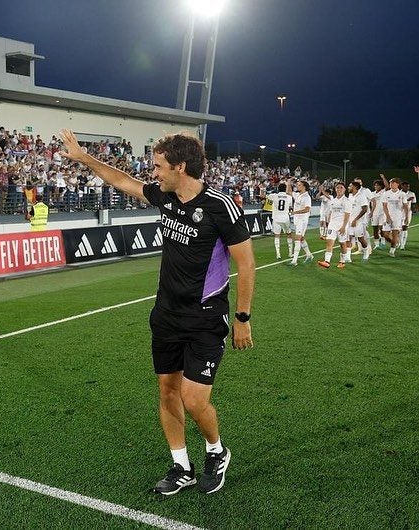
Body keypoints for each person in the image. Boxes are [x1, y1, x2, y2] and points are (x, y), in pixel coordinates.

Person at [59, 129, 255, 495]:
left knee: (194, 399)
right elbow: (121, 180)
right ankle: (182, 465)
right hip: (165, 315)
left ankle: (216, 451)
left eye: (159, 166)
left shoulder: (219, 207)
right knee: (168, 391)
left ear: (181, 167)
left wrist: (242, 318)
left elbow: (246, 264)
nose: (154, 173)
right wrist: (83, 157)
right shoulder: (164, 197)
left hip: (205, 317)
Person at [318, 182, 351, 269]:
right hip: (332, 225)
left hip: (342, 225)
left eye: (341, 187)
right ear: (335, 189)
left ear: (344, 189)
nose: (339, 189)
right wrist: (328, 224)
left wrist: (344, 226)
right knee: (329, 242)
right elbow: (330, 213)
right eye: (337, 188)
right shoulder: (333, 200)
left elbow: (347, 215)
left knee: (342, 244)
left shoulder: (346, 201)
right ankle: (327, 261)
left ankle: (342, 261)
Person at [287, 179, 314, 265]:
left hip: (302, 220)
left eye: (299, 185)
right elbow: (289, 192)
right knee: (301, 238)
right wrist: (288, 182)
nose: (297, 186)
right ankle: (309, 255)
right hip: (297, 220)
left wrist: (294, 212)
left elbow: (307, 209)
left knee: (297, 238)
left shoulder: (307, 197)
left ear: (304, 187)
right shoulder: (298, 195)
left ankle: (294, 261)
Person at [381, 177, 409, 257]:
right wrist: (388, 217)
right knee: (385, 235)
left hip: (397, 217)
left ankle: (392, 251)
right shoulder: (386, 193)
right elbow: (384, 206)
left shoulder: (402, 194)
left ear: (397, 184)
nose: (391, 184)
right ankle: (395, 242)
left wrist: (406, 217)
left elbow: (406, 206)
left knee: (395, 234)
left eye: (392, 183)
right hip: (387, 217)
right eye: (390, 183)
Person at [267, 182, 293, 260]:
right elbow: (290, 207)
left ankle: (278, 254)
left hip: (276, 218)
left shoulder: (274, 196)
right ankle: (290, 253)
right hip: (285, 218)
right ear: (285, 189)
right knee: (289, 234)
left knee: (277, 235)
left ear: (278, 189)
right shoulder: (289, 197)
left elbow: (264, 197)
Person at [347, 180, 371, 261]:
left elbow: (365, 209)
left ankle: (366, 252)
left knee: (360, 239)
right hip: (349, 221)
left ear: (355, 187)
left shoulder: (361, 196)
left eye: (350, 186)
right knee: (349, 238)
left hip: (359, 222)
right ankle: (347, 257)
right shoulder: (350, 196)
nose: (349, 187)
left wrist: (356, 219)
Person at [399, 182, 416, 249]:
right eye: (406, 186)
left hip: (408, 213)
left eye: (408, 186)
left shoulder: (412, 194)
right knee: (399, 229)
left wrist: (414, 209)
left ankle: (402, 245)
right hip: (399, 213)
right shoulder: (398, 193)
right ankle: (400, 242)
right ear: (402, 186)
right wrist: (408, 200)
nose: (407, 188)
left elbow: (413, 203)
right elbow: (399, 203)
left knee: (405, 228)